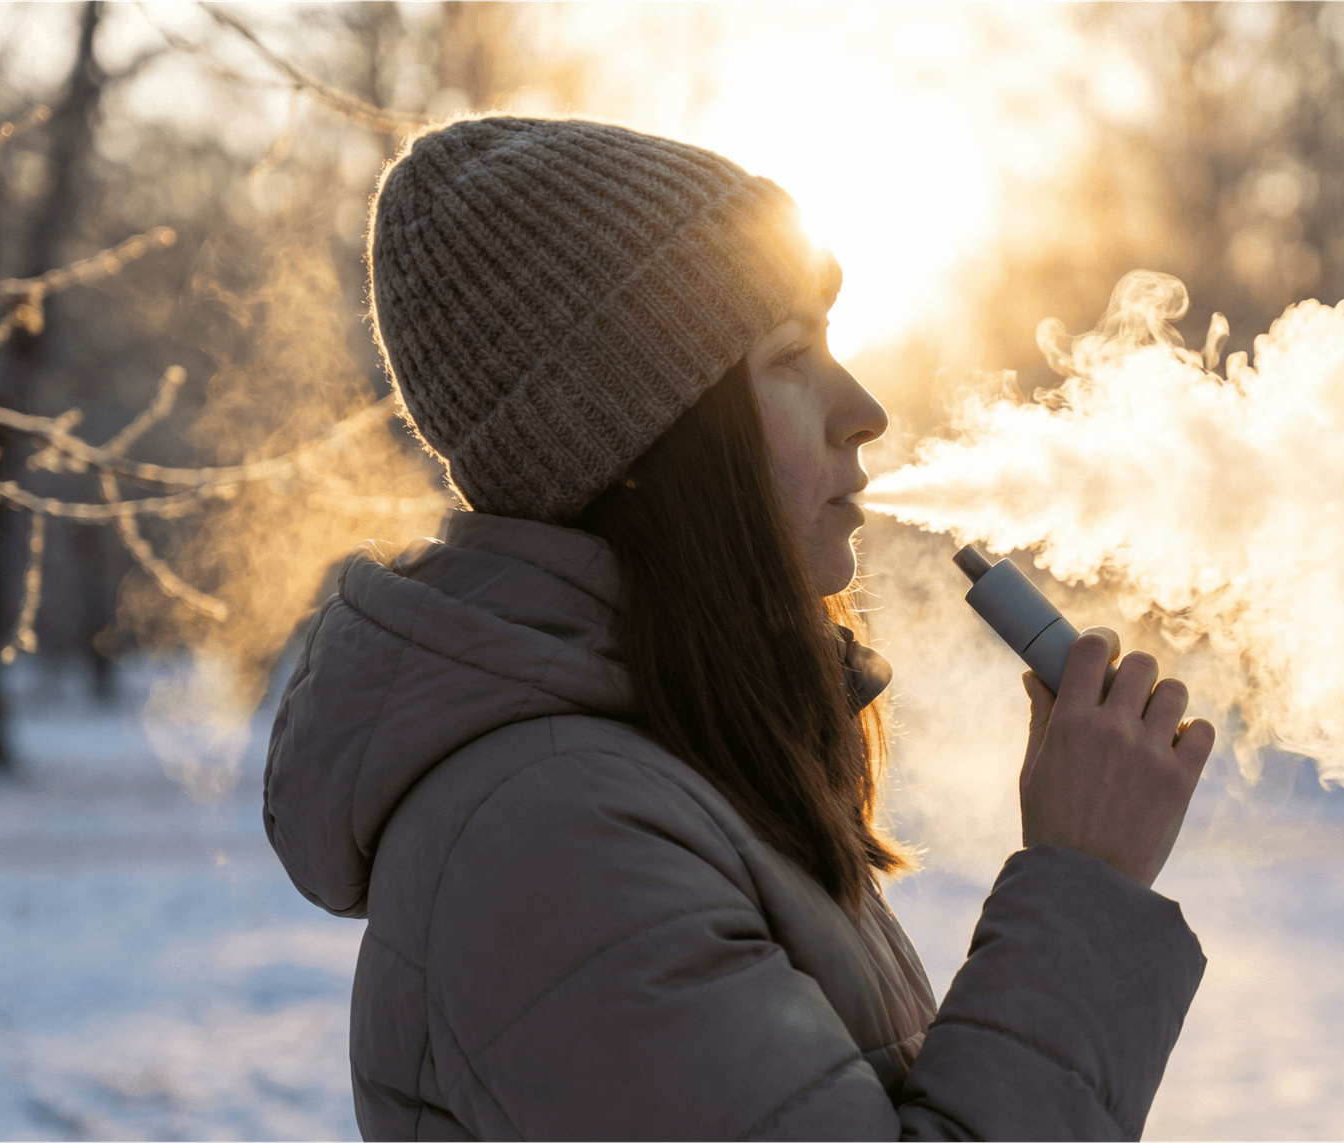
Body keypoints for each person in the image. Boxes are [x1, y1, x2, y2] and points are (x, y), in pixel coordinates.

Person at [264, 115, 1215, 1142]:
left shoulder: (661, 778)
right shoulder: (554, 839)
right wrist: (1082, 890)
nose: (864, 409)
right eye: (791, 357)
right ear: (639, 436)